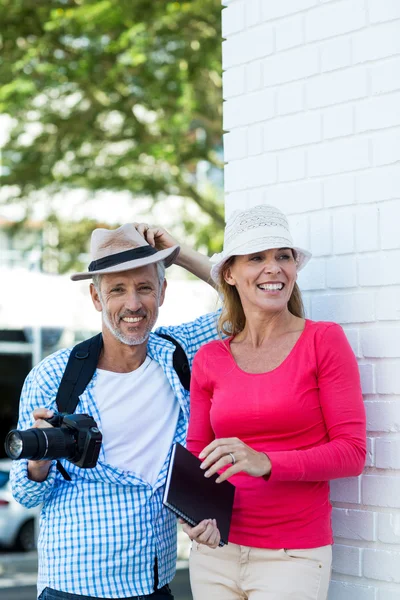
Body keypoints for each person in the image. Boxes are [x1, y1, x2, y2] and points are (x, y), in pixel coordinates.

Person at [10, 222, 221, 600]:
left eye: (144, 287)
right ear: (96, 297)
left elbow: (247, 305)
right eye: (117, 290)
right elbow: (24, 495)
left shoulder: (179, 353)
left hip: (153, 585)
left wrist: (181, 254)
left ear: (162, 291)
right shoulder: (53, 377)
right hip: (72, 588)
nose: (133, 304)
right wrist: (38, 464)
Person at [183, 204, 367, 600]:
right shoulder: (210, 358)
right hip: (216, 553)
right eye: (257, 258)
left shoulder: (323, 341)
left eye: (282, 256)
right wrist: (194, 516)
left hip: (292, 557)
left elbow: (352, 454)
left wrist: (266, 461)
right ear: (230, 274)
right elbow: (199, 455)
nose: (273, 268)